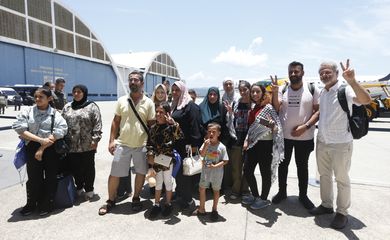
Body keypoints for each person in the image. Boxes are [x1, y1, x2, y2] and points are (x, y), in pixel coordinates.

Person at [309, 60, 371, 229]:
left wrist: (352, 80)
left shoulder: (346, 89)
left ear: (336, 73)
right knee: (324, 176)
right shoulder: (323, 92)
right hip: (322, 141)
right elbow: (322, 113)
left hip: (341, 143)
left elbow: (366, 100)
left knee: (342, 179)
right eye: (321, 72)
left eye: (328, 72)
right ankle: (326, 205)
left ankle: (342, 212)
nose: (324, 75)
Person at [98, 70, 155, 215]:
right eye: (130, 80)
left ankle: (136, 198)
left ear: (142, 83)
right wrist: (111, 141)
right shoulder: (121, 100)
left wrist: (151, 148)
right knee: (114, 173)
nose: (133, 82)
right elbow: (115, 122)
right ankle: (110, 200)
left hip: (141, 146)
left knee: (141, 173)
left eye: (136, 80)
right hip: (122, 145)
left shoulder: (148, 103)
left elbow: (152, 126)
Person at [270, 61, 320, 210]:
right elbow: (276, 107)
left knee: (302, 167)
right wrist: (274, 92)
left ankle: (303, 196)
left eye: (296, 71)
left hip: (304, 137)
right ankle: (282, 192)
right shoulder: (283, 88)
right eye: (291, 71)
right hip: (284, 137)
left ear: (302, 73)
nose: (293, 74)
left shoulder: (311, 89)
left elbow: (317, 111)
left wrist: (305, 127)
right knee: (283, 166)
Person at [12, 87, 68, 216]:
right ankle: (31, 204)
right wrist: (40, 140)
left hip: (50, 149)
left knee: (50, 177)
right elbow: (20, 128)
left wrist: (42, 147)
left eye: (41, 97)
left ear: (49, 99)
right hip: (32, 147)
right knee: (33, 178)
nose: (37, 99)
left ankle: (47, 203)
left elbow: (61, 130)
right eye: (36, 96)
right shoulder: (28, 111)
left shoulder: (55, 113)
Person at [241, 82, 284, 209]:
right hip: (253, 144)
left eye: (257, 92)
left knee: (265, 173)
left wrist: (270, 124)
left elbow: (277, 128)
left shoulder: (269, 108)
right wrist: (247, 140)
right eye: (253, 92)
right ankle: (255, 195)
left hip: (266, 145)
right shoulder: (253, 107)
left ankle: (264, 199)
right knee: (247, 171)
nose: (255, 94)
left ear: (263, 93)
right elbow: (251, 128)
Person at [62, 84, 102, 200]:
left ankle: (89, 189)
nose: (76, 94)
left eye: (79, 92)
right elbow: (62, 123)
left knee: (88, 167)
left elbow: (97, 124)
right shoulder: (68, 107)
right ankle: (79, 186)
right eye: (74, 92)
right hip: (71, 144)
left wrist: (95, 140)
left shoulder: (92, 106)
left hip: (88, 144)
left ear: (84, 93)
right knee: (75, 167)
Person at [147, 102, 184, 218]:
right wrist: (150, 155)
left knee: (168, 182)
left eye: (161, 112)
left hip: (168, 159)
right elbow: (149, 144)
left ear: (167, 114)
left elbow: (180, 137)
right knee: (158, 182)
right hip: (157, 159)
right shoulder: (153, 128)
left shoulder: (171, 127)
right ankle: (156, 204)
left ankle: (168, 204)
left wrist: (174, 124)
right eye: (157, 112)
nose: (158, 114)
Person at [170, 81, 203, 210]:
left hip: (187, 146)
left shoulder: (190, 106)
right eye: (172, 90)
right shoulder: (175, 105)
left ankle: (189, 202)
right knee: (178, 173)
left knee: (185, 175)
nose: (174, 93)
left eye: (177, 90)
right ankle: (180, 195)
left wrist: (194, 146)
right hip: (176, 145)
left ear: (183, 91)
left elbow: (195, 127)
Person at [199, 87, 233, 191]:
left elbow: (225, 124)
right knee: (206, 162)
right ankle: (205, 185)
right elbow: (199, 124)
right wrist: (206, 135)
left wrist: (223, 141)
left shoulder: (222, 108)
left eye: (215, 95)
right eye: (210, 94)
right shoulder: (201, 107)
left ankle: (218, 187)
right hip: (206, 140)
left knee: (218, 164)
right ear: (207, 95)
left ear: (218, 96)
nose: (212, 96)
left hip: (219, 141)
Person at [193, 123, 229, 221]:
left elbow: (225, 161)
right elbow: (202, 154)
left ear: (218, 133)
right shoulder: (206, 143)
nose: (211, 133)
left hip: (216, 174)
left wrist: (215, 166)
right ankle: (201, 209)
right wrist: (205, 146)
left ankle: (214, 210)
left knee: (216, 191)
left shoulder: (221, 147)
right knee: (202, 189)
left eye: (214, 132)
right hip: (205, 172)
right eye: (209, 132)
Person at [225, 80, 251, 199]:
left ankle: (245, 190)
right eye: (240, 90)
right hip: (237, 138)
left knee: (247, 167)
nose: (243, 92)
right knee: (236, 167)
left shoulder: (254, 104)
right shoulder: (236, 102)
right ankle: (236, 190)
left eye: (245, 89)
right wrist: (230, 113)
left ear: (249, 89)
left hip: (250, 139)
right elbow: (232, 120)